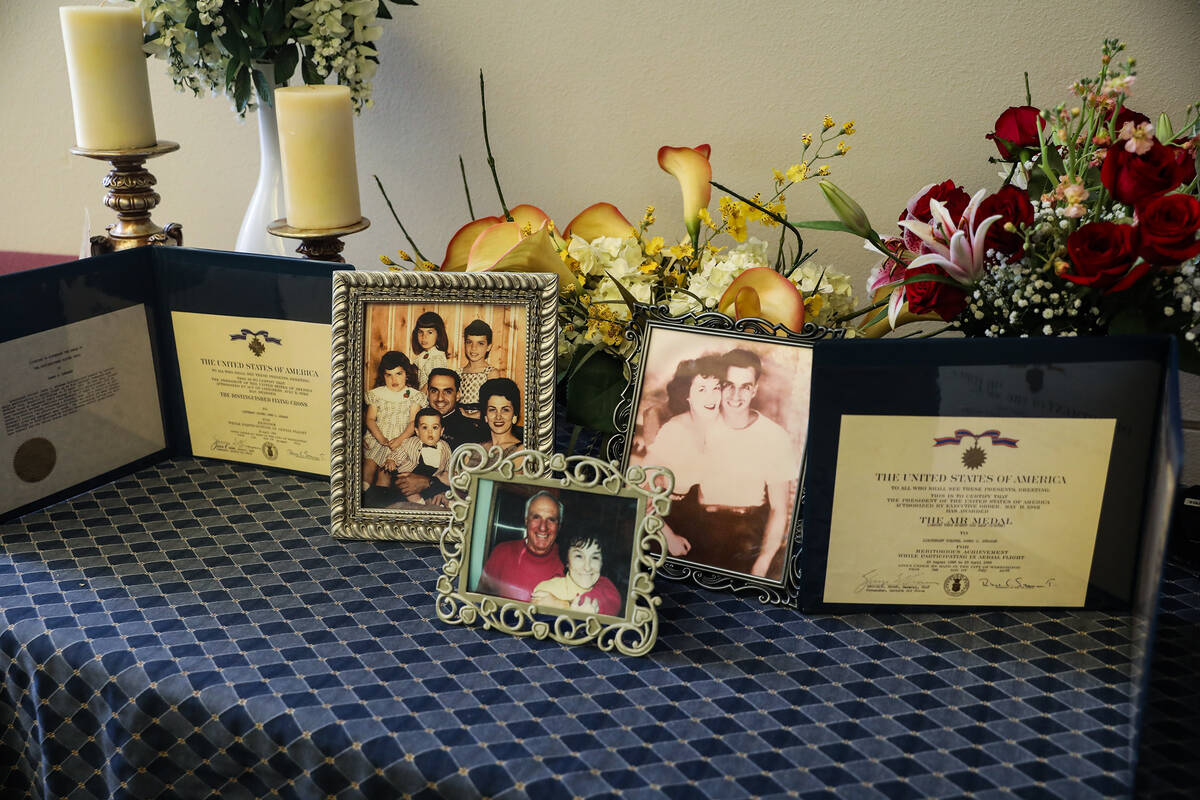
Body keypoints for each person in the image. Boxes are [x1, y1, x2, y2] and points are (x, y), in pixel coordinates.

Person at [705, 348, 798, 578]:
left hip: (747, 532)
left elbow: (778, 509)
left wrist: (764, 560)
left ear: (754, 389)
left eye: (745, 387)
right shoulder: (700, 424)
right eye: (729, 385)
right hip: (700, 524)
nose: (736, 395)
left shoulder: (775, 437)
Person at [637, 354, 727, 560]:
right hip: (662, 519)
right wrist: (668, 537)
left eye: (716, 387)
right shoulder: (674, 431)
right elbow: (638, 492)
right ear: (687, 395)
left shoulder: (716, 427)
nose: (711, 397)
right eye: (702, 389)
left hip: (695, 513)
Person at [393, 368, 487, 503]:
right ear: (427, 393)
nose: (440, 398)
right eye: (434, 391)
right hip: (402, 494)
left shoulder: (470, 431)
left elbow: (471, 480)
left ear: (458, 395)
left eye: (447, 391)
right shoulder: (412, 423)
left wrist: (432, 484)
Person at [476, 491, 565, 602]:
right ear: (526, 521)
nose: (543, 527)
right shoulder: (502, 552)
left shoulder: (571, 563)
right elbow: (479, 602)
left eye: (551, 519)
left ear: (559, 526)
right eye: (536, 517)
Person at [362, 351, 423, 489]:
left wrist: (400, 439)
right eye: (388, 375)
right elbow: (370, 419)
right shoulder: (377, 394)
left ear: (407, 374)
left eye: (398, 374)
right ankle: (362, 495)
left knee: (386, 472)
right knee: (369, 466)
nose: (393, 380)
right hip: (378, 436)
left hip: (400, 439)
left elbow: (413, 422)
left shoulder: (414, 396)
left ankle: (379, 499)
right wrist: (380, 438)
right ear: (383, 376)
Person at [531, 531, 622, 616]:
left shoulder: (606, 588)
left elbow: (612, 603)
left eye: (595, 558)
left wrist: (562, 605)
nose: (587, 567)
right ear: (567, 560)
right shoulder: (547, 590)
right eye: (579, 556)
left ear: (602, 562)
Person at [386, 407, 453, 505]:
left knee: (438, 492)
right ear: (417, 431)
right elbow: (400, 452)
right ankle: (419, 503)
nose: (430, 432)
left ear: (441, 431)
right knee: (405, 487)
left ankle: (434, 503)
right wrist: (392, 460)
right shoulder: (411, 443)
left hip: (429, 479)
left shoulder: (445, 447)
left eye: (435, 427)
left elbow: (449, 464)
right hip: (408, 476)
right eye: (425, 427)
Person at [458, 319, 500, 419]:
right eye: (469, 342)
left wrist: (469, 415)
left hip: (481, 422)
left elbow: (494, 407)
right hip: (460, 422)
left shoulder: (490, 373)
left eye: (480, 343)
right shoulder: (458, 373)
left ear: (489, 347)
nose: (473, 348)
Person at [479, 377, 523, 457]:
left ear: (514, 415)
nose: (498, 417)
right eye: (492, 410)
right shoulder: (475, 450)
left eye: (505, 410)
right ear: (485, 415)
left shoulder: (522, 452)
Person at [411, 310, 450, 389]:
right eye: (420, 332)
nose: (424, 336)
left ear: (438, 334)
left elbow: (432, 384)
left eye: (430, 332)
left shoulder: (436, 359)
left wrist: (418, 398)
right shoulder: (423, 356)